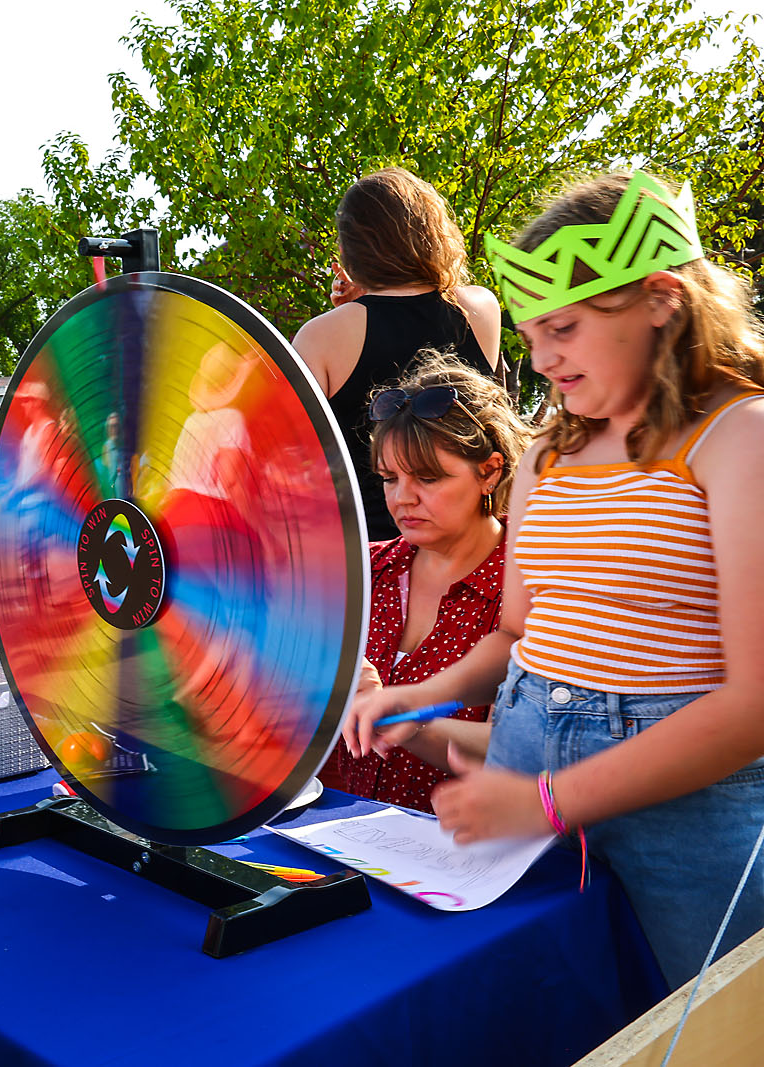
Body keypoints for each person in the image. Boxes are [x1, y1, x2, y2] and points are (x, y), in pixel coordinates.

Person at [349, 171, 764, 987]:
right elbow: (515, 634)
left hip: (686, 808)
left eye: (565, 329)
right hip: (527, 752)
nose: (540, 359)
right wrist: (418, 694)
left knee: (705, 1027)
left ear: (661, 299)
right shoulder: (550, 452)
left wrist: (547, 799)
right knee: (527, 1011)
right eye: (534, 333)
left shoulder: (738, 437)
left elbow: (752, 705)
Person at [318, 353, 531, 812]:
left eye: (428, 478)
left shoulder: (531, 585)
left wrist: (402, 719)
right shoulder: (361, 572)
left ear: (490, 471)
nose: (402, 498)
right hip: (343, 843)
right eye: (389, 479)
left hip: (466, 859)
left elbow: (522, 753)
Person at [293, 167, 504, 541]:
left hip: (372, 555)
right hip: (470, 545)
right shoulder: (480, 309)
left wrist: (346, 310)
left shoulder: (321, 336)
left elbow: (296, 463)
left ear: (349, 250)